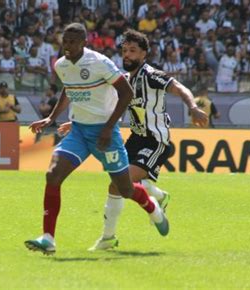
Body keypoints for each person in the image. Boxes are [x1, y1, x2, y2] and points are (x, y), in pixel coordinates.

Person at [24, 23, 169, 255]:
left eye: (73, 42)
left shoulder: (100, 62)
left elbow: (127, 93)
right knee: (53, 174)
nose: (68, 46)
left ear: (84, 43)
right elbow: (68, 88)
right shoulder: (61, 65)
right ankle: (48, 238)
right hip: (79, 132)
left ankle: (151, 206)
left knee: (124, 189)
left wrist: (108, 127)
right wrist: (51, 117)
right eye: (65, 42)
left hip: (105, 133)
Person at [58, 29, 208, 251]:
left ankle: (108, 238)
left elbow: (179, 87)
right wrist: (79, 123)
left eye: (133, 51)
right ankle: (157, 195)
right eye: (125, 50)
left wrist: (193, 107)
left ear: (144, 54)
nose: (127, 55)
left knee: (118, 184)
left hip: (156, 140)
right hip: (135, 139)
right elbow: (108, 107)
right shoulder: (124, 79)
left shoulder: (151, 75)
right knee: (121, 182)